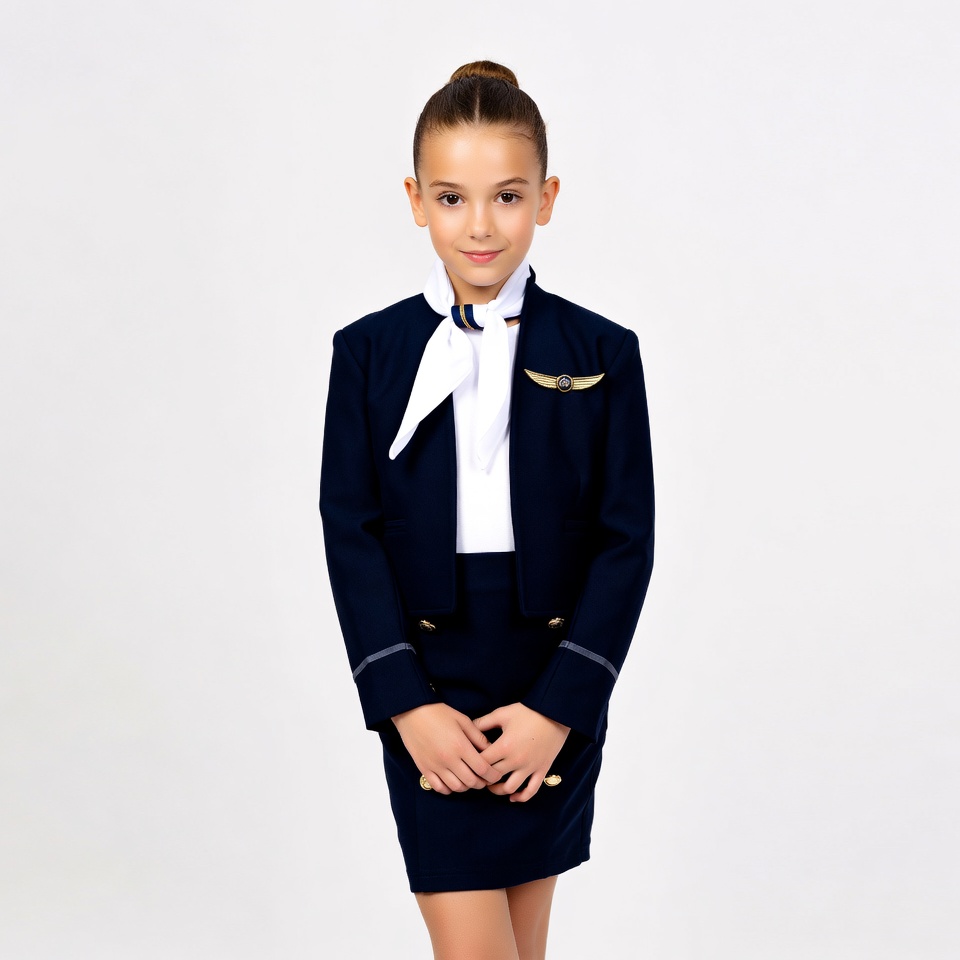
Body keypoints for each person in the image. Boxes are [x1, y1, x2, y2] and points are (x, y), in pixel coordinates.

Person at [320, 60, 654, 960]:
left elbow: (626, 542)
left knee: (521, 948)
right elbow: (350, 536)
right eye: (452, 197)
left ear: (546, 198)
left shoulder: (603, 350)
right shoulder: (368, 353)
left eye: (507, 196)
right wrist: (406, 705)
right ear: (415, 201)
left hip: (551, 679)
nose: (480, 225)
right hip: (428, 679)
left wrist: (560, 710)